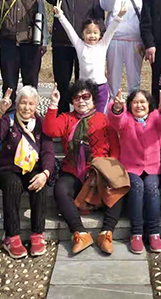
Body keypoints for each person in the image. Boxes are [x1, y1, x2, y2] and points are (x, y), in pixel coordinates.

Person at [42, 80, 122, 255]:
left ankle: (106, 232)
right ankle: (80, 233)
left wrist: (106, 170)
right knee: (60, 189)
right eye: (77, 98)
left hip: (99, 171)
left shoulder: (104, 119)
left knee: (118, 187)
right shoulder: (66, 118)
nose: (81, 101)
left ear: (93, 99)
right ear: (72, 101)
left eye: (86, 96)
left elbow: (115, 149)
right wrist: (53, 104)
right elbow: (50, 130)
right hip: (73, 171)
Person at [0, 86, 54, 259]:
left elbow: (48, 151)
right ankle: (11, 236)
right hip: (8, 168)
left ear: (36, 105)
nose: (27, 107)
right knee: (13, 184)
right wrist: (0, 112)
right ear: (17, 104)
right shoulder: (8, 119)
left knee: (39, 184)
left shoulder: (40, 123)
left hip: (32, 167)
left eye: (31, 104)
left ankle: (38, 234)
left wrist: (45, 173)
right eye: (23, 103)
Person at [106, 89, 161, 254]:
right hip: (130, 167)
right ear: (130, 105)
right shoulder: (127, 119)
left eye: (143, 102)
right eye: (135, 102)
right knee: (137, 187)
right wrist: (117, 108)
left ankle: (154, 233)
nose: (139, 105)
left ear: (149, 105)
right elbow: (116, 120)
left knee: (151, 187)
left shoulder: (155, 118)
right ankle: (136, 233)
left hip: (152, 167)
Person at [40, 0, 105, 113]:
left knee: (84, 85)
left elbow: (98, 16)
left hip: (85, 46)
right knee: (62, 83)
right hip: (62, 43)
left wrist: (99, 40)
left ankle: (84, 117)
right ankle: (62, 118)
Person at [53, 0, 127, 112]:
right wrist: (60, 15)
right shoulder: (79, 45)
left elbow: (111, 30)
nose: (92, 36)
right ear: (83, 34)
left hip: (101, 88)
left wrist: (120, 15)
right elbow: (69, 30)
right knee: (83, 113)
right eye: (88, 32)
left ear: (100, 34)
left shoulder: (103, 45)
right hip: (84, 88)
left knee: (100, 115)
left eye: (95, 32)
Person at [100, 0, 152, 97]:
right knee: (113, 79)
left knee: (134, 81)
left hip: (136, 39)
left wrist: (147, 41)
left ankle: (133, 107)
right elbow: (105, 6)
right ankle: (112, 107)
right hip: (114, 38)